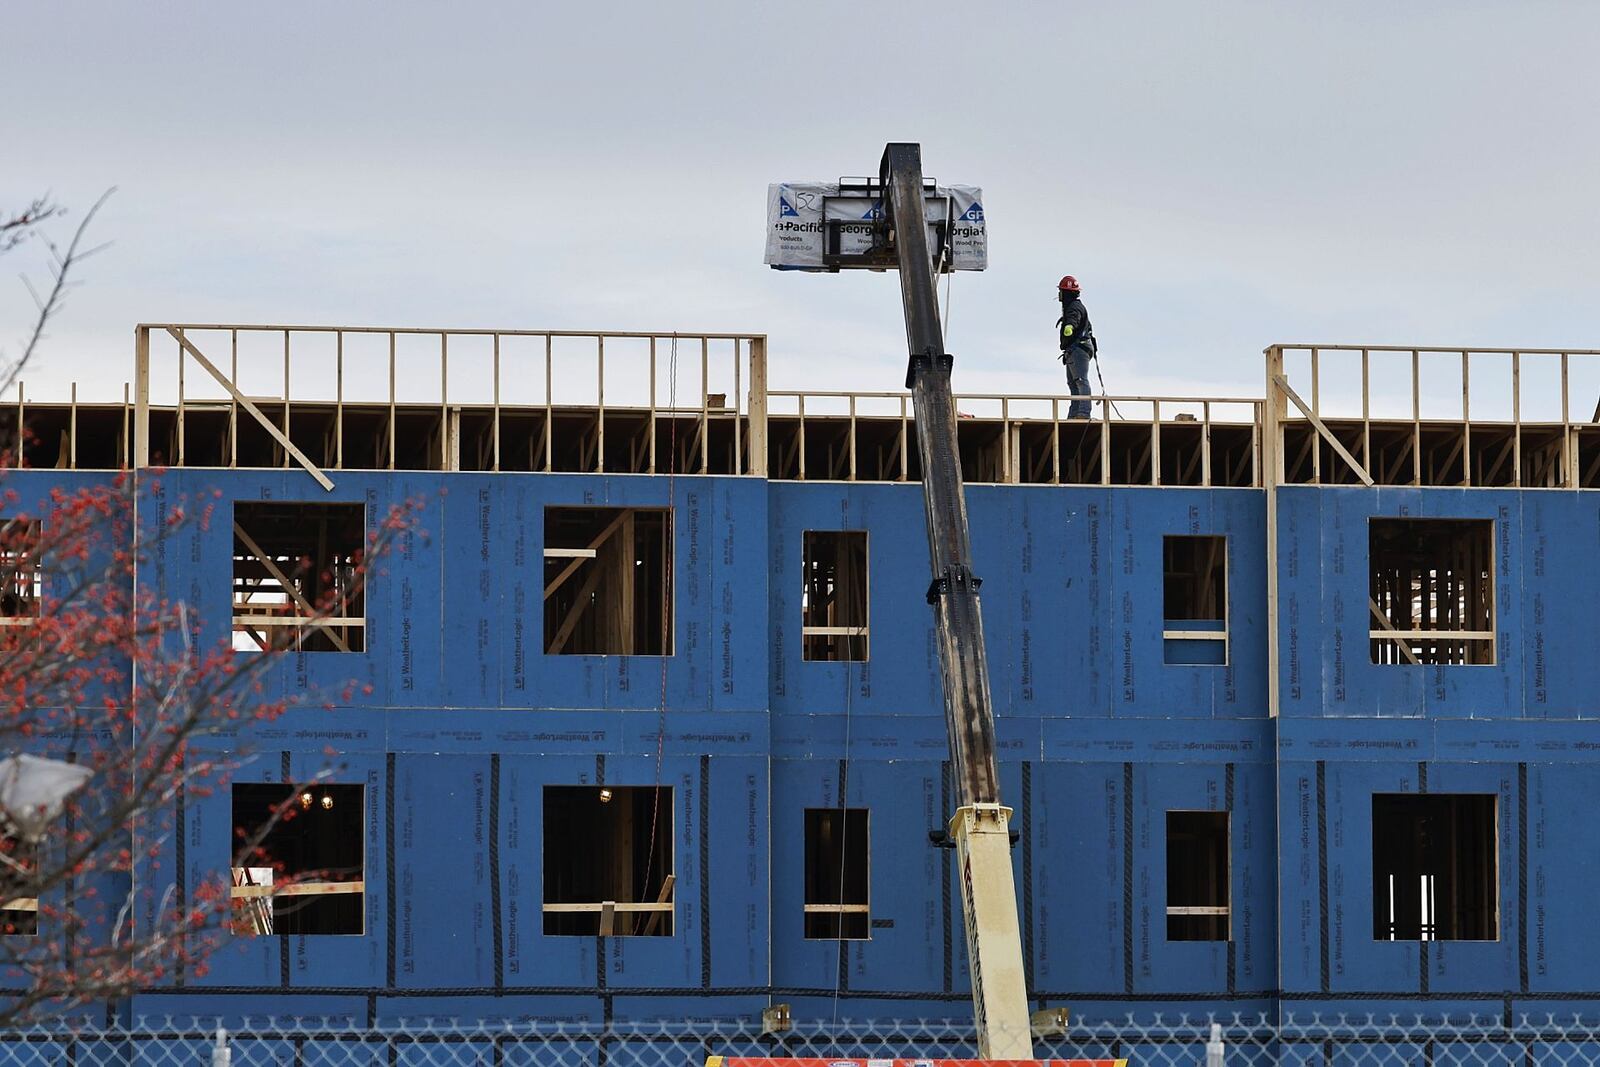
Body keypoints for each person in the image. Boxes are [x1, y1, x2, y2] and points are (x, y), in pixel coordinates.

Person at [1057, 275, 1096, 418]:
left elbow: (1074, 318)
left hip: (1078, 349)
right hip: (1076, 350)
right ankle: (1075, 414)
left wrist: (1069, 326)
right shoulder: (1075, 306)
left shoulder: (1074, 307)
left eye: (1061, 292)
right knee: (1073, 383)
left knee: (1080, 381)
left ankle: (1083, 413)